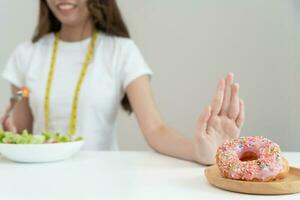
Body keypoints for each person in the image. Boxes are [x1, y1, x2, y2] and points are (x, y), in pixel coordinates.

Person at [0, 0, 244, 165]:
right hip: (41, 181)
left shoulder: (121, 51)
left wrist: (199, 152)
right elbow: (23, 132)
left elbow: (156, 129)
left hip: (104, 181)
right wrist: (9, 134)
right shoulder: (26, 55)